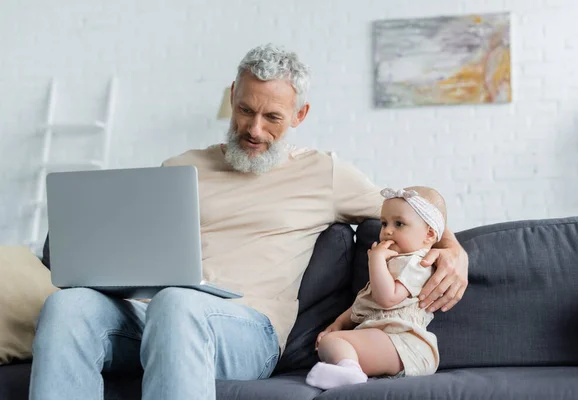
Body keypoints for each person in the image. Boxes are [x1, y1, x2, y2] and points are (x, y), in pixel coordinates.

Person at [29, 44, 468, 400]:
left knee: (177, 303)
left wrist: (453, 248)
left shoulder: (324, 173)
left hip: (246, 330)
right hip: (157, 317)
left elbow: (410, 209)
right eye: (244, 110)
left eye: (272, 117)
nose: (254, 129)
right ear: (233, 97)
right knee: (67, 306)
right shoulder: (181, 168)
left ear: (300, 116)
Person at [306, 186, 447, 390]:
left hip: (405, 344)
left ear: (429, 235)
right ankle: (348, 369)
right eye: (384, 223)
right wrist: (339, 322)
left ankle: (350, 372)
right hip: (388, 341)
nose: (387, 231)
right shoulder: (393, 264)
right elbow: (366, 303)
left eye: (399, 224)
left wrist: (376, 261)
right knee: (329, 342)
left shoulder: (419, 264)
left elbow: (387, 298)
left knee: (334, 342)